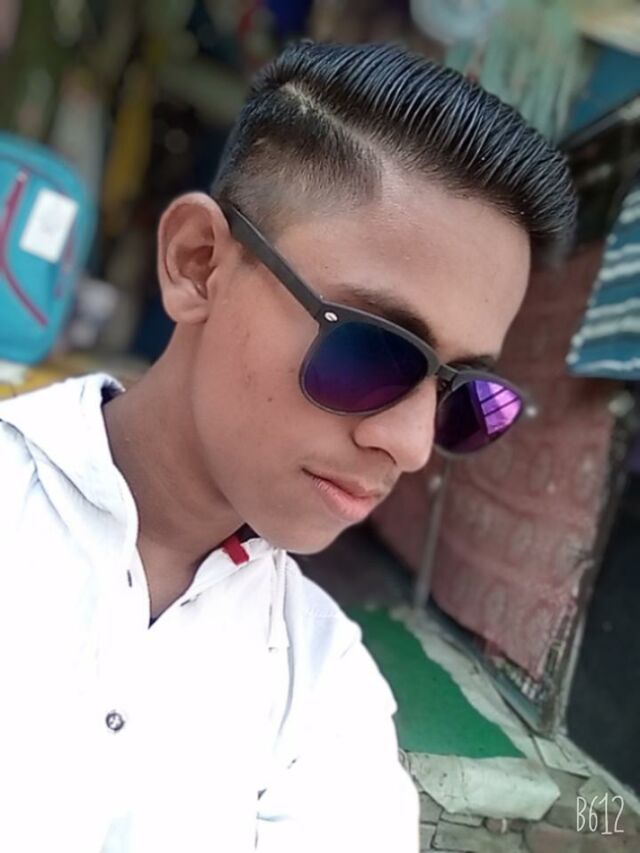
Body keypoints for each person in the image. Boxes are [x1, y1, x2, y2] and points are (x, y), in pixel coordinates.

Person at [0, 40, 576, 853]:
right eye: (374, 349)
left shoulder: (326, 694)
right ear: (198, 263)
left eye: (464, 395)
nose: (413, 445)